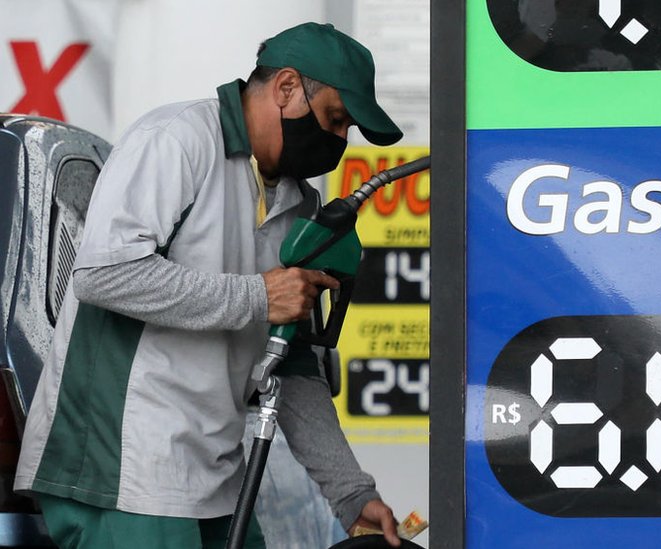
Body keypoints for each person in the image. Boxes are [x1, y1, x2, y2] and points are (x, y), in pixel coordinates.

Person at [14, 22, 404, 549]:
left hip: (215, 478)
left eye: (347, 129)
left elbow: (290, 363)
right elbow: (102, 274)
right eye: (335, 119)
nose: (339, 140)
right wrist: (258, 296)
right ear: (287, 87)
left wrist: (352, 494)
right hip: (122, 470)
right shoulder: (178, 138)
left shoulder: (299, 206)